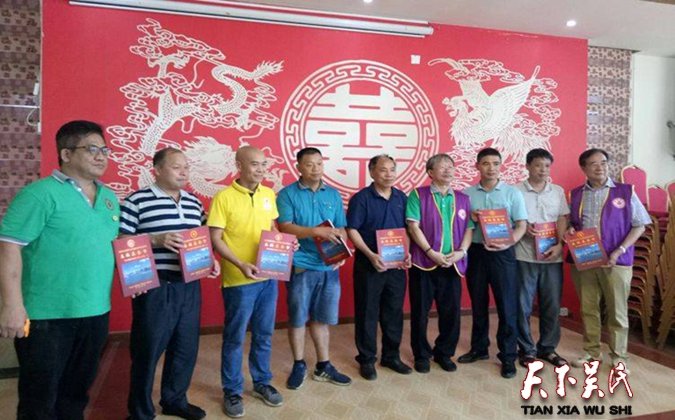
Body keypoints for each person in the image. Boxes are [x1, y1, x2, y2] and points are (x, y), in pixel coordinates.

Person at [0, 120, 120, 419]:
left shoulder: (109, 198)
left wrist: (140, 273)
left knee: (76, 392)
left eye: (104, 150)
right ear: (66, 154)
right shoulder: (39, 194)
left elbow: (108, 245)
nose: (101, 156)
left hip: (95, 311)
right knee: (39, 398)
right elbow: (9, 247)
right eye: (91, 149)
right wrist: (12, 305)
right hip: (46, 316)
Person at [120, 148, 210, 420]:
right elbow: (121, 241)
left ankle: (174, 400)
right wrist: (156, 240)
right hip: (154, 287)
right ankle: (140, 411)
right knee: (147, 350)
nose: (184, 172)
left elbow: (202, 237)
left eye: (186, 167)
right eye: (176, 167)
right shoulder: (136, 201)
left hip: (189, 285)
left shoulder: (194, 203)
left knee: (185, 347)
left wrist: (209, 261)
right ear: (157, 170)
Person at [208, 146, 283, 418]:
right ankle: (232, 390)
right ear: (239, 165)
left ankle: (261, 382)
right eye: (254, 164)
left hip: (268, 277)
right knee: (235, 337)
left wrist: (284, 245)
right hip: (238, 280)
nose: (261, 169)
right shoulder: (223, 197)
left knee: (264, 334)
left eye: (264, 164)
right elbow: (215, 238)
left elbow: (272, 228)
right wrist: (240, 264)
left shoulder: (268, 194)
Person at [567, 148, 651, 373]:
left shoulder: (625, 191)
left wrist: (619, 251)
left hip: (617, 261)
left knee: (617, 311)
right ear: (584, 168)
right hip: (586, 260)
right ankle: (591, 352)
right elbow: (573, 223)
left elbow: (640, 225)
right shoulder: (576, 194)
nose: (600, 167)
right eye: (593, 164)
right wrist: (570, 231)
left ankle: (619, 357)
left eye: (603, 162)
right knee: (588, 309)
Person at [277, 147, 352, 390]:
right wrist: (315, 231)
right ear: (298, 167)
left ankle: (323, 365)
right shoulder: (287, 194)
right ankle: (299, 363)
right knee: (298, 318)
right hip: (301, 264)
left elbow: (341, 228)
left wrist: (342, 251)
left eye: (319, 163)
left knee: (322, 318)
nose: (315, 168)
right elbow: (285, 226)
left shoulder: (333, 194)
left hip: (329, 266)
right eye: (309, 164)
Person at [460, 147, 528, 379]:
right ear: (477, 166)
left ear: (501, 166)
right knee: (478, 303)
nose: (491, 168)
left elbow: (521, 224)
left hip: (504, 254)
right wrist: (471, 218)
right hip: (477, 252)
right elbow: (461, 225)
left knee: (507, 305)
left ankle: (508, 355)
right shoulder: (466, 194)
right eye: (486, 163)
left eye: (496, 163)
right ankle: (479, 348)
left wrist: (508, 242)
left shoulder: (512, 193)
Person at [406, 154, 474, 374]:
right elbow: (413, 226)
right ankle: (421, 355)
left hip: (452, 264)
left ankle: (444, 353)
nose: (448, 170)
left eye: (451, 167)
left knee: (451, 313)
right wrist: (430, 252)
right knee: (420, 312)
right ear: (430, 172)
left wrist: (461, 252)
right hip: (423, 263)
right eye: (442, 167)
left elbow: (469, 229)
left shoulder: (463, 198)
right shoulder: (418, 194)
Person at [346, 155, 412, 380]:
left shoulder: (401, 198)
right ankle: (366, 359)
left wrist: (407, 252)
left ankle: (391, 356)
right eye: (383, 170)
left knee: (394, 312)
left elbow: (407, 229)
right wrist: (371, 255)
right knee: (367, 312)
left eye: (392, 169)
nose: (389, 174)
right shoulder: (361, 199)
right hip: (369, 264)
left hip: (396, 266)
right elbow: (352, 230)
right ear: (372, 172)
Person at [514, 149, 569, 368]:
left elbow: (562, 218)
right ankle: (526, 350)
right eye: (538, 165)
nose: (543, 170)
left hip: (551, 257)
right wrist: (523, 227)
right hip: (523, 256)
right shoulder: (515, 191)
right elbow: (508, 218)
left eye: (547, 166)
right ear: (527, 166)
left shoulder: (557, 191)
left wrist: (560, 244)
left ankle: (548, 348)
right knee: (522, 306)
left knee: (551, 305)